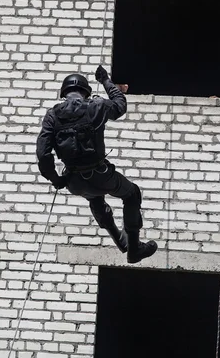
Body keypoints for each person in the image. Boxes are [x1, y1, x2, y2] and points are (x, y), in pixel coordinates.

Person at [36, 65, 158, 264]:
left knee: (95, 199)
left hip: (74, 181)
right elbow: (120, 105)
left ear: (64, 94)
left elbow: (43, 154)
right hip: (100, 174)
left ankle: (121, 242)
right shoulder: (96, 106)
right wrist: (105, 80)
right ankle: (134, 248)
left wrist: (56, 179)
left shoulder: (52, 115)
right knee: (131, 193)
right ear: (86, 92)